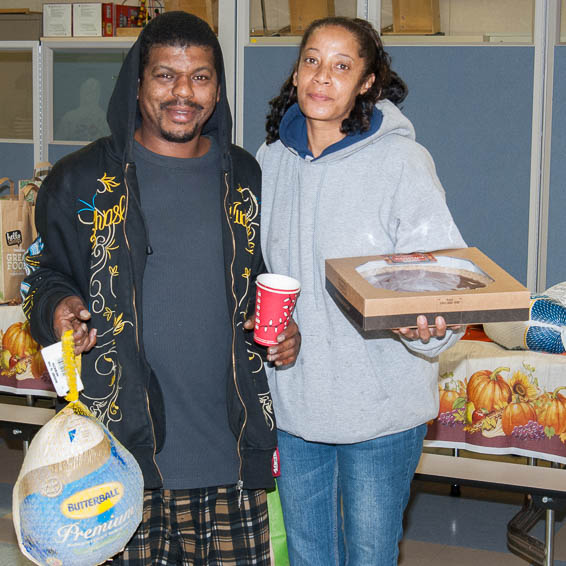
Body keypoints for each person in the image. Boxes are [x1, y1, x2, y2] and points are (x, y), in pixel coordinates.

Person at [22, 11, 300, 565]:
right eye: (165, 75)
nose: (183, 93)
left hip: (230, 456)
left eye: (200, 76)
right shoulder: (79, 182)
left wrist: (289, 334)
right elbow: (43, 277)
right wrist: (58, 306)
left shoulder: (246, 178)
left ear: (218, 89)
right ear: (137, 82)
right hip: (115, 460)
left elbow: (270, 278)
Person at [256, 16, 467, 566]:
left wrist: (427, 332)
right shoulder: (269, 162)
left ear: (367, 82)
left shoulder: (402, 163)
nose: (322, 78)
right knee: (307, 556)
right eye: (311, 61)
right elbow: (253, 269)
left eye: (341, 66)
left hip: (381, 409)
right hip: (296, 405)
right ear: (296, 71)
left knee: (370, 557)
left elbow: (447, 284)